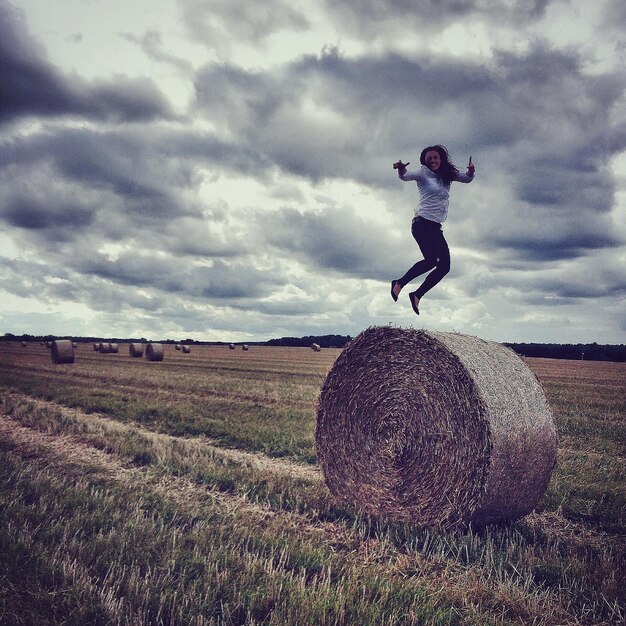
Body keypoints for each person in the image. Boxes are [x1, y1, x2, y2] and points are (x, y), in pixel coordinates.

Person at [391, 145, 475, 315]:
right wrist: (401, 170)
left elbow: (466, 179)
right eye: (429, 159)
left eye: (435, 158)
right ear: (425, 162)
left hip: (435, 227)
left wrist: (471, 171)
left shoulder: (447, 175)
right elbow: (405, 177)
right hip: (422, 224)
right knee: (431, 261)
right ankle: (399, 283)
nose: (432, 161)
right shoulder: (422, 173)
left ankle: (416, 294)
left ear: (441, 158)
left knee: (444, 267)